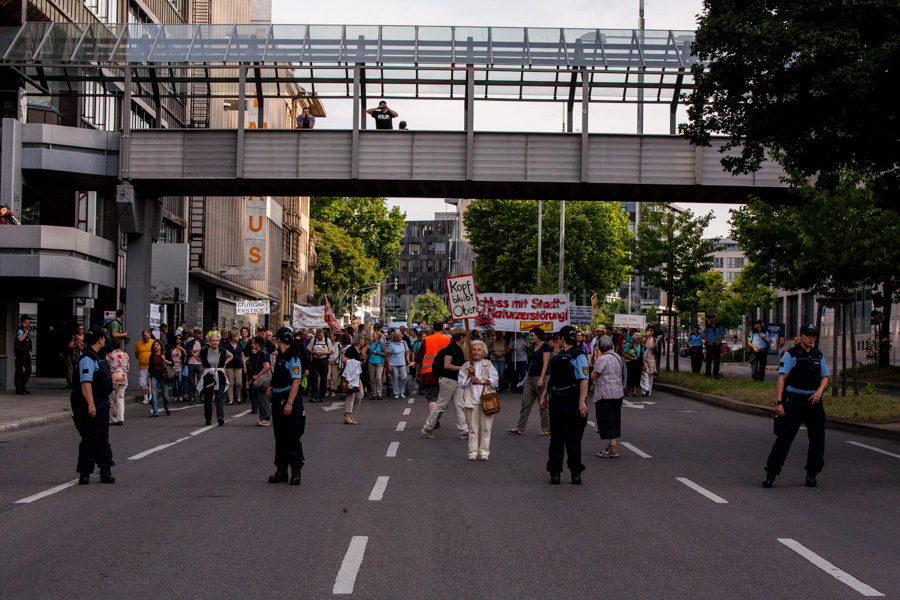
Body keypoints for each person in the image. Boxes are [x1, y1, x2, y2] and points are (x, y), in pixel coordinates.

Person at [763, 324, 829, 489]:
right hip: (795, 402)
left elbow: (825, 376)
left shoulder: (818, 355)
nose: (811, 338)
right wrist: (779, 403)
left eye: (813, 335)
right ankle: (771, 473)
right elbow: (782, 379)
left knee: (818, 439)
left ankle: (812, 474)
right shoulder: (792, 354)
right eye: (808, 335)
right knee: (784, 438)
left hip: (814, 402)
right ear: (801, 336)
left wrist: (820, 391)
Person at [540, 325, 590, 484]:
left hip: (566, 402)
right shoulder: (574, 355)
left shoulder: (573, 356)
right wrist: (544, 395)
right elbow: (553, 379)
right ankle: (567, 473)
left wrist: (581, 401)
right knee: (565, 439)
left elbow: (584, 379)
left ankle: (565, 472)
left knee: (563, 439)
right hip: (564, 402)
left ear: (562, 338)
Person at [70, 326, 115, 485]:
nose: (105, 340)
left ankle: (105, 470)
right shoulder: (87, 358)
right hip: (90, 401)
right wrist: (91, 404)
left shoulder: (99, 356)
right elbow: (85, 383)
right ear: (99, 339)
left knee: (103, 437)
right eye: (104, 337)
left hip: (102, 401)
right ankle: (85, 473)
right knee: (91, 437)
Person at [266, 328, 307, 486]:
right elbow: (280, 377)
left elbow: (296, 381)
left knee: (292, 437)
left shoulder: (293, 357)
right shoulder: (281, 357)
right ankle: (281, 470)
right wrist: (272, 387)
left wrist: (289, 403)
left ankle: (296, 471)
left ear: (279, 340)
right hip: (278, 399)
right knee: (280, 437)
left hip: (290, 400)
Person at [421, 328, 468, 439]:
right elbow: (447, 365)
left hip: (455, 380)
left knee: (459, 405)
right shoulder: (451, 348)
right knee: (441, 405)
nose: (466, 339)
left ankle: (464, 430)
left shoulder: (457, 348)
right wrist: (462, 368)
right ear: (461, 337)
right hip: (448, 380)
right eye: (465, 337)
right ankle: (427, 427)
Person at [458, 340, 500, 461]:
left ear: (483, 352)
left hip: (487, 400)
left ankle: (484, 452)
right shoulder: (466, 366)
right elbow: (461, 384)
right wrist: (469, 375)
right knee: (473, 428)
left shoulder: (488, 364)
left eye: (479, 350)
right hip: (471, 401)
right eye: (474, 350)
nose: (476, 352)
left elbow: (495, 381)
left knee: (486, 428)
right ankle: (472, 452)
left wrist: (480, 381)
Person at [509, 327, 551, 436]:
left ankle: (546, 428)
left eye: (532, 335)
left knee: (543, 404)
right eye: (530, 335)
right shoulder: (533, 346)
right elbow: (532, 362)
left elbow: (546, 363)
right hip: (530, 377)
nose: (530, 337)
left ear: (538, 336)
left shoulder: (545, 346)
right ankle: (520, 427)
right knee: (525, 403)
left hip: (541, 377)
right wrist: (526, 377)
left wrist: (542, 378)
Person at [591, 336, 627, 458]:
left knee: (607, 420)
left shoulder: (602, 360)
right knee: (614, 419)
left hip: (605, 394)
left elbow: (594, 376)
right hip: (617, 392)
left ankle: (613, 448)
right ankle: (611, 446)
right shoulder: (617, 357)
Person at [195, 333, 232, 426]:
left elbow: (231, 356)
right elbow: (195, 355)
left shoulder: (223, 351)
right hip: (208, 375)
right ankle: (208, 418)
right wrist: (203, 362)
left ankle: (220, 417)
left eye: (216, 341)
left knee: (219, 397)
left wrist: (224, 363)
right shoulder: (204, 351)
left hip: (220, 375)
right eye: (213, 341)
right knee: (208, 398)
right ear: (209, 342)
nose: (215, 342)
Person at [416, 321, 452, 412]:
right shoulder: (448, 340)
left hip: (429, 374)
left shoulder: (427, 340)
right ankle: (437, 417)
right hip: (446, 374)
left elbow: (420, 357)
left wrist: (417, 371)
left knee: (432, 398)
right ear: (443, 329)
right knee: (443, 399)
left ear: (432, 329)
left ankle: (434, 419)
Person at [247, 335, 272, 426]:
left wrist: (257, 376)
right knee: (260, 398)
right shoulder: (261, 352)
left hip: (262, 380)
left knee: (262, 398)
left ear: (257, 344)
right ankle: (263, 417)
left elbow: (266, 367)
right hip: (258, 378)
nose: (251, 345)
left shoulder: (262, 353)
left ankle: (265, 418)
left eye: (253, 343)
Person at [342, 334, 366, 424]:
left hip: (356, 375)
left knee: (360, 395)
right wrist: (357, 363)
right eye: (363, 340)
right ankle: (348, 416)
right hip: (350, 375)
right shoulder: (351, 349)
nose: (364, 342)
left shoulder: (358, 350)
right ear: (360, 341)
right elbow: (344, 360)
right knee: (351, 395)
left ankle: (349, 412)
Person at [107, 338, 129, 425]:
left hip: (113, 378)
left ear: (112, 346)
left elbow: (107, 367)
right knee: (120, 398)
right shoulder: (125, 355)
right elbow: (127, 369)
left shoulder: (110, 356)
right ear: (120, 345)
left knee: (112, 399)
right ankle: (121, 418)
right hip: (123, 378)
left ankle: (113, 418)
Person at [147, 340, 173, 417]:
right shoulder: (152, 356)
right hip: (154, 376)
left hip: (163, 376)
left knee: (165, 394)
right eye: (155, 345)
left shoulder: (165, 354)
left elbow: (172, 363)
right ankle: (155, 412)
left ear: (161, 346)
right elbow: (150, 368)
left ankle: (167, 407)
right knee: (154, 394)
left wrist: (165, 360)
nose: (156, 347)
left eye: (157, 345)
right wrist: (147, 379)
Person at [308, 329, 332, 402]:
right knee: (314, 378)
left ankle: (322, 396)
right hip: (316, 360)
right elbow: (309, 349)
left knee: (323, 379)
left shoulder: (327, 341)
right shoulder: (313, 340)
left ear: (323, 335)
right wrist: (315, 352)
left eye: (321, 335)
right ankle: (314, 396)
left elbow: (331, 351)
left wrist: (324, 353)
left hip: (324, 360)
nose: (319, 337)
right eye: (318, 335)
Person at [221, 330, 245, 406]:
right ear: (233, 337)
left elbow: (242, 355)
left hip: (239, 365)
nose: (238, 337)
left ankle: (238, 396)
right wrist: (224, 366)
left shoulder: (239, 345)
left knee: (239, 383)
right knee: (230, 383)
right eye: (237, 336)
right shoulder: (227, 346)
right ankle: (230, 399)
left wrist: (244, 365)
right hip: (229, 366)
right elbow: (224, 356)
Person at [184, 328, 206, 404]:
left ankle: (202, 395)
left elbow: (203, 352)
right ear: (195, 334)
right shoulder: (190, 343)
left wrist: (194, 351)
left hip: (200, 363)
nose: (200, 335)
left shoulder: (202, 342)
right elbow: (189, 353)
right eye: (199, 334)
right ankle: (192, 397)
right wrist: (198, 351)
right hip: (191, 363)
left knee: (201, 381)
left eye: (201, 334)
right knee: (191, 381)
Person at [388, 331, 411, 399]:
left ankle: (402, 391)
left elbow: (407, 352)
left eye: (401, 334)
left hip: (402, 363)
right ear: (396, 336)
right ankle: (396, 393)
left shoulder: (404, 342)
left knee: (404, 377)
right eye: (399, 335)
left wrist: (408, 360)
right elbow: (388, 355)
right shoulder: (392, 344)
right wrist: (389, 365)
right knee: (395, 378)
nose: (401, 336)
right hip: (394, 363)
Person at [133, 330, 154, 405]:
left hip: (152, 366)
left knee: (150, 382)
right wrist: (141, 359)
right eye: (144, 338)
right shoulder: (138, 344)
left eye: (147, 338)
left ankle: (151, 397)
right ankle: (145, 398)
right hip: (142, 366)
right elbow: (136, 354)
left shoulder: (153, 343)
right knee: (143, 382)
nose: (146, 339)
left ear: (150, 335)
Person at [14, 315, 33, 395]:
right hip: (20, 353)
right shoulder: (20, 330)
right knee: (19, 370)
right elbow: (19, 339)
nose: (29, 321)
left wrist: (30, 350)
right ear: (24, 320)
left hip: (26, 352)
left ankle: (23, 385)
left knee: (28, 370)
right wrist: (25, 333)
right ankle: (19, 387)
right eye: (28, 320)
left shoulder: (26, 329)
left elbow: (28, 341)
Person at [622, 333, 644, 398]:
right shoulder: (629, 344)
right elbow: (624, 353)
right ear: (635, 339)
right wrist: (630, 357)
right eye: (639, 338)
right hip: (631, 362)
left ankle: (635, 392)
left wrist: (644, 363)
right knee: (630, 376)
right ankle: (627, 388)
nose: (640, 340)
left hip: (638, 363)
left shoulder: (640, 345)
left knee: (637, 377)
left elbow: (643, 354)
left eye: (641, 338)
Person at [367, 329, 388, 399]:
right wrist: (367, 349)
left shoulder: (381, 344)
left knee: (378, 378)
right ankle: (373, 393)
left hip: (379, 362)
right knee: (372, 378)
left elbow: (385, 353)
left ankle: (379, 393)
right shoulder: (370, 343)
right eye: (372, 334)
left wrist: (377, 353)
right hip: (371, 362)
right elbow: (368, 353)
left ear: (378, 336)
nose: (372, 335)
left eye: (374, 334)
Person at [65, 324, 86, 389]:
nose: (81, 330)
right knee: (72, 369)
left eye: (82, 329)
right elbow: (70, 346)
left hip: (83, 354)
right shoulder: (74, 337)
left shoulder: (85, 337)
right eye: (80, 329)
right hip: (75, 355)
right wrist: (76, 345)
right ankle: (71, 383)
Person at [169, 334, 187, 403]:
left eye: (180, 339)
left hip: (180, 366)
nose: (178, 340)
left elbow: (186, 355)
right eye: (177, 338)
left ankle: (180, 396)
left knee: (179, 381)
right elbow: (168, 355)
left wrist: (182, 349)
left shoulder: (182, 347)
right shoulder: (172, 347)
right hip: (172, 366)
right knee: (173, 383)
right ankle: (175, 396)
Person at [641, 326, 658, 397]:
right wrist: (642, 342)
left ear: (653, 332)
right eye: (648, 330)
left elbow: (656, 351)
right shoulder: (644, 338)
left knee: (650, 375)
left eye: (651, 330)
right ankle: (644, 390)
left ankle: (649, 390)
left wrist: (655, 347)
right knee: (644, 374)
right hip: (644, 358)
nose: (649, 332)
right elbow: (640, 347)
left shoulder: (654, 339)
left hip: (651, 358)